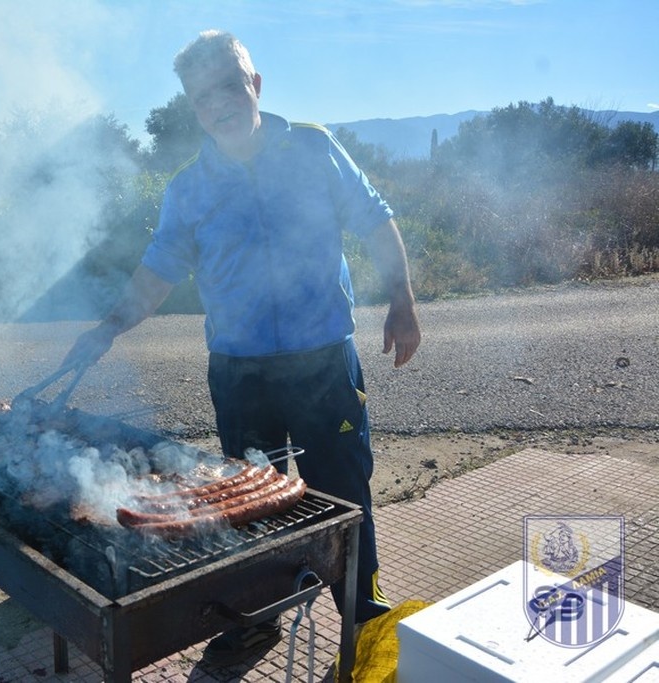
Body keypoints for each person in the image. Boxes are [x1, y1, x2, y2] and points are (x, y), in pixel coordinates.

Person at [63, 29, 421, 666]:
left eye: (229, 85)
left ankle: (362, 612)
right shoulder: (188, 188)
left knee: (344, 490)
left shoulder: (314, 147)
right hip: (238, 371)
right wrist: (107, 327)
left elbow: (373, 215)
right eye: (203, 97)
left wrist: (403, 300)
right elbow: (157, 272)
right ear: (193, 108)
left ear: (254, 84)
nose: (219, 103)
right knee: (249, 507)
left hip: (323, 362)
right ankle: (254, 618)